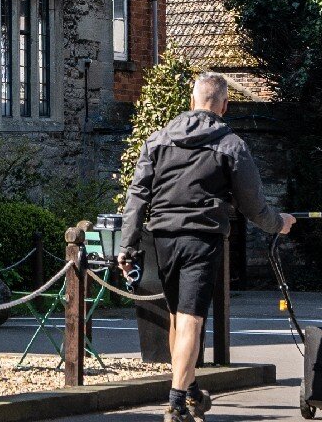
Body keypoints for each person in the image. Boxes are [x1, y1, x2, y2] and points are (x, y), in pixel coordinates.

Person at [119, 71, 294, 422]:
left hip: (163, 239)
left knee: (177, 317)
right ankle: (177, 400)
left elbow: (137, 196)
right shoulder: (231, 145)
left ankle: (191, 388)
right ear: (224, 106)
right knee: (192, 320)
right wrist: (280, 224)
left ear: (191, 101)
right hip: (202, 239)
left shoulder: (157, 140)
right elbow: (252, 205)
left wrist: (127, 245)